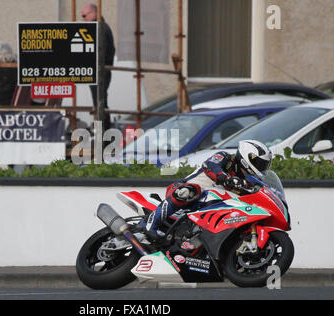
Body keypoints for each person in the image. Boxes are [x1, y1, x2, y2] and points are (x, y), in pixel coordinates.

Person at [142, 140, 273, 235]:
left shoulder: (247, 182)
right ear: (247, 157)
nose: (262, 168)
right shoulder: (225, 157)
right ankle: (150, 224)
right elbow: (210, 165)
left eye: (265, 165)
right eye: (260, 163)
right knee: (190, 191)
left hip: (208, 207)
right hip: (184, 190)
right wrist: (225, 178)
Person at [81, 2, 115, 131]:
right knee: (100, 103)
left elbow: (102, 52)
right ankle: (103, 133)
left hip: (99, 72)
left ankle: (103, 134)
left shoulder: (99, 28)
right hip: (99, 71)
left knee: (100, 103)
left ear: (94, 13)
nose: (83, 19)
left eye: (85, 15)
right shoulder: (101, 27)